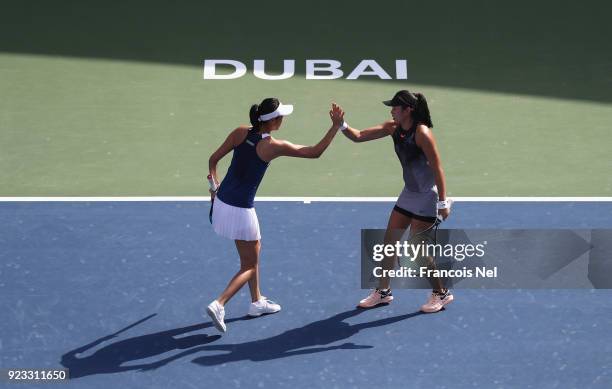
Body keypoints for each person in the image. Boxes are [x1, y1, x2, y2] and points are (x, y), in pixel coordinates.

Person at [207, 98, 345, 332]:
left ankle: (256, 302)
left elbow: (213, 160)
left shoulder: (240, 132)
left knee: (254, 252)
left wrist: (213, 187)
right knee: (249, 265)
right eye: (281, 116)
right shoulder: (272, 146)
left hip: (221, 203)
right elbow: (314, 153)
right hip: (241, 212)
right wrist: (335, 127)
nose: (283, 119)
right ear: (273, 121)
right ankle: (219, 304)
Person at [340, 90, 453, 313]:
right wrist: (341, 124)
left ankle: (442, 293)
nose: (391, 110)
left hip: (426, 196)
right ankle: (383, 292)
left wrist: (442, 203)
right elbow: (359, 135)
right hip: (409, 193)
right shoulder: (392, 128)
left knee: (418, 251)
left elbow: (438, 168)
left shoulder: (422, 134)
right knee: (389, 243)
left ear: (408, 110)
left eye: (395, 107)